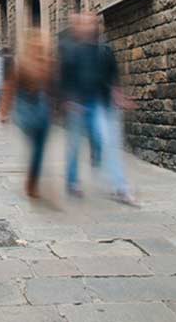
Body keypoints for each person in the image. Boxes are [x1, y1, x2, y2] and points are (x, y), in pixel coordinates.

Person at [58, 12, 137, 205]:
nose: (89, 27)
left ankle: (121, 187)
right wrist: (66, 101)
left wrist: (120, 98)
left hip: (100, 103)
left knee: (109, 143)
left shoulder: (105, 51)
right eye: (85, 24)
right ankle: (72, 180)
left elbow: (113, 77)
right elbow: (63, 78)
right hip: (77, 104)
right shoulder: (71, 51)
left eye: (92, 24)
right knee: (75, 146)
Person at [0, 30, 54, 198]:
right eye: (36, 44)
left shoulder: (49, 63)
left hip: (43, 105)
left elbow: (56, 87)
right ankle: (32, 182)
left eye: (41, 45)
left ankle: (32, 180)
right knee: (35, 139)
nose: (39, 47)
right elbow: (10, 87)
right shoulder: (21, 64)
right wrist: (4, 110)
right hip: (25, 105)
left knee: (39, 148)